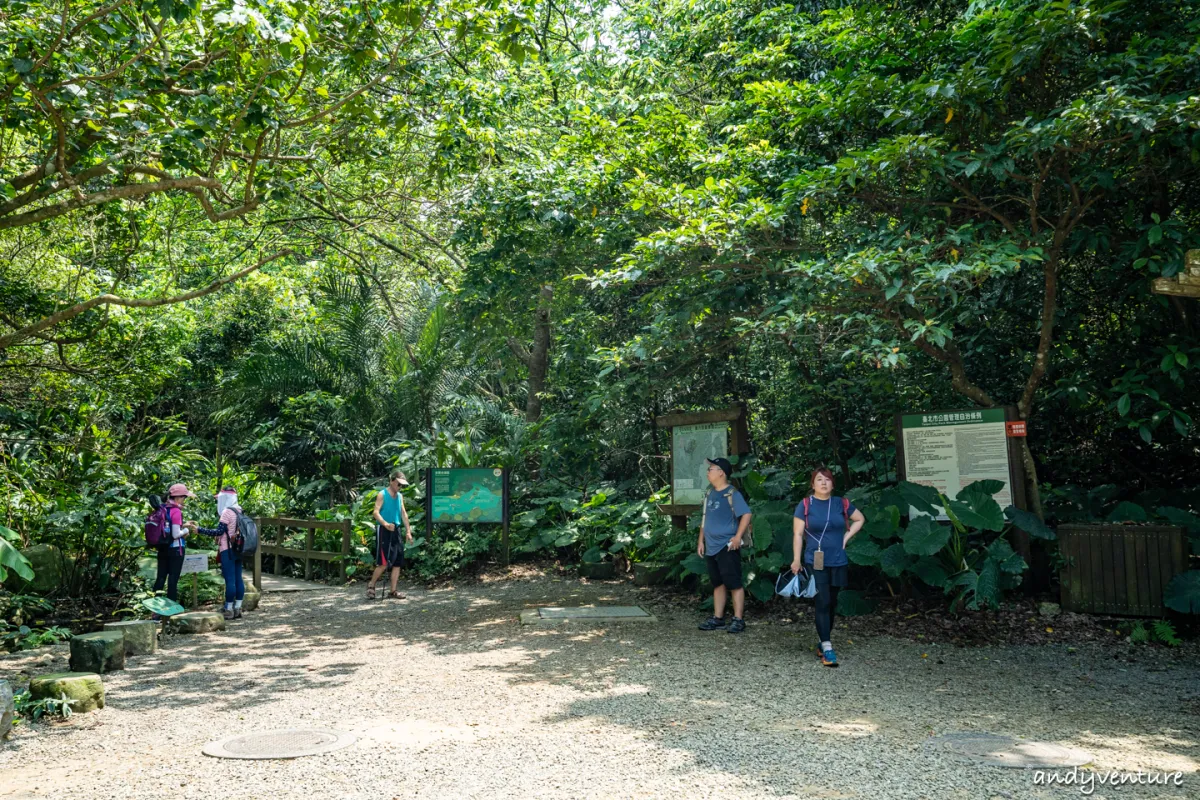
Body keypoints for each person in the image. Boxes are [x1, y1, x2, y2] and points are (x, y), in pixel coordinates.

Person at [791, 467, 865, 667]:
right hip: (815, 560)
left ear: (833, 483)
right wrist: (796, 559)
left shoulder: (842, 503)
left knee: (831, 602)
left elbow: (859, 519)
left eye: (827, 480)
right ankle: (828, 646)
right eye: (819, 480)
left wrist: (846, 538)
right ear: (812, 484)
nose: (823, 483)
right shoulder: (805, 504)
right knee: (822, 600)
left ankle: (823, 641)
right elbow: (798, 534)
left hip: (837, 559)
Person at [697, 457, 753, 633]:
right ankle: (718, 618)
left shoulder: (732, 494)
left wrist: (737, 537)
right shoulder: (709, 494)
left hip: (727, 545)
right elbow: (705, 519)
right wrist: (701, 540)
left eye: (711, 469)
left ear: (721, 472)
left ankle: (738, 619)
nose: (708, 472)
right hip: (711, 546)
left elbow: (746, 514)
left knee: (734, 582)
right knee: (717, 583)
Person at [195, 487, 246, 620]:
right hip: (239, 549)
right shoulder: (239, 510)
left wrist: (199, 530)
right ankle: (238, 608)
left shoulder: (226, 512)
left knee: (230, 580)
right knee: (238, 578)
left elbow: (218, 531)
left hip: (227, 549)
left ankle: (228, 609)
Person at [368, 470, 413, 600]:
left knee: (397, 562)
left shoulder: (400, 497)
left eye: (402, 485)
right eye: (399, 484)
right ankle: (371, 585)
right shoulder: (382, 494)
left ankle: (393, 591)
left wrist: (408, 531)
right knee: (383, 563)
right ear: (392, 481)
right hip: (383, 529)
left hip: (396, 529)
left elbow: (403, 514)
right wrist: (385, 524)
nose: (400, 487)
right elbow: (375, 512)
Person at [153, 483, 194, 604]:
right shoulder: (176, 511)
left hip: (162, 548)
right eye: (184, 497)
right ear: (177, 498)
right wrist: (187, 530)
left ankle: (155, 610)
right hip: (175, 550)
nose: (184, 500)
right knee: (172, 580)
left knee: (160, 578)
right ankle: (171, 610)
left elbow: (168, 527)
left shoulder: (162, 508)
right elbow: (176, 534)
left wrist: (183, 525)